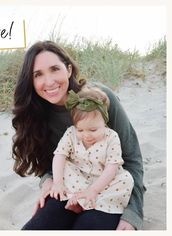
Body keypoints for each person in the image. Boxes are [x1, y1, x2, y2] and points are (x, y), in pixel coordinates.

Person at [12, 40, 145, 230]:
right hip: (69, 185)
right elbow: (47, 164)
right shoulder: (35, 114)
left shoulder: (100, 100)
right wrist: (47, 181)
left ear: (68, 69)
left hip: (109, 188)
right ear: (31, 81)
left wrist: (132, 214)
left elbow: (132, 159)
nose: (49, 81)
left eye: (55, 69)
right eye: (38, 74)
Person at [50, 87, 134, 219]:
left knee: (126, 180)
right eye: (81, 130)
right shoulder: (71, 133)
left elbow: (111, 168)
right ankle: (76, 198)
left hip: (103, 180)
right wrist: (58, 182)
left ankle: (89, 200)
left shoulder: (111, 137)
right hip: (79, 176)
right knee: (64, 165)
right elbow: (59, 155)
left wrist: (93, 189)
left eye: (93, 129)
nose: (86, 135)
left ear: (104, 122)